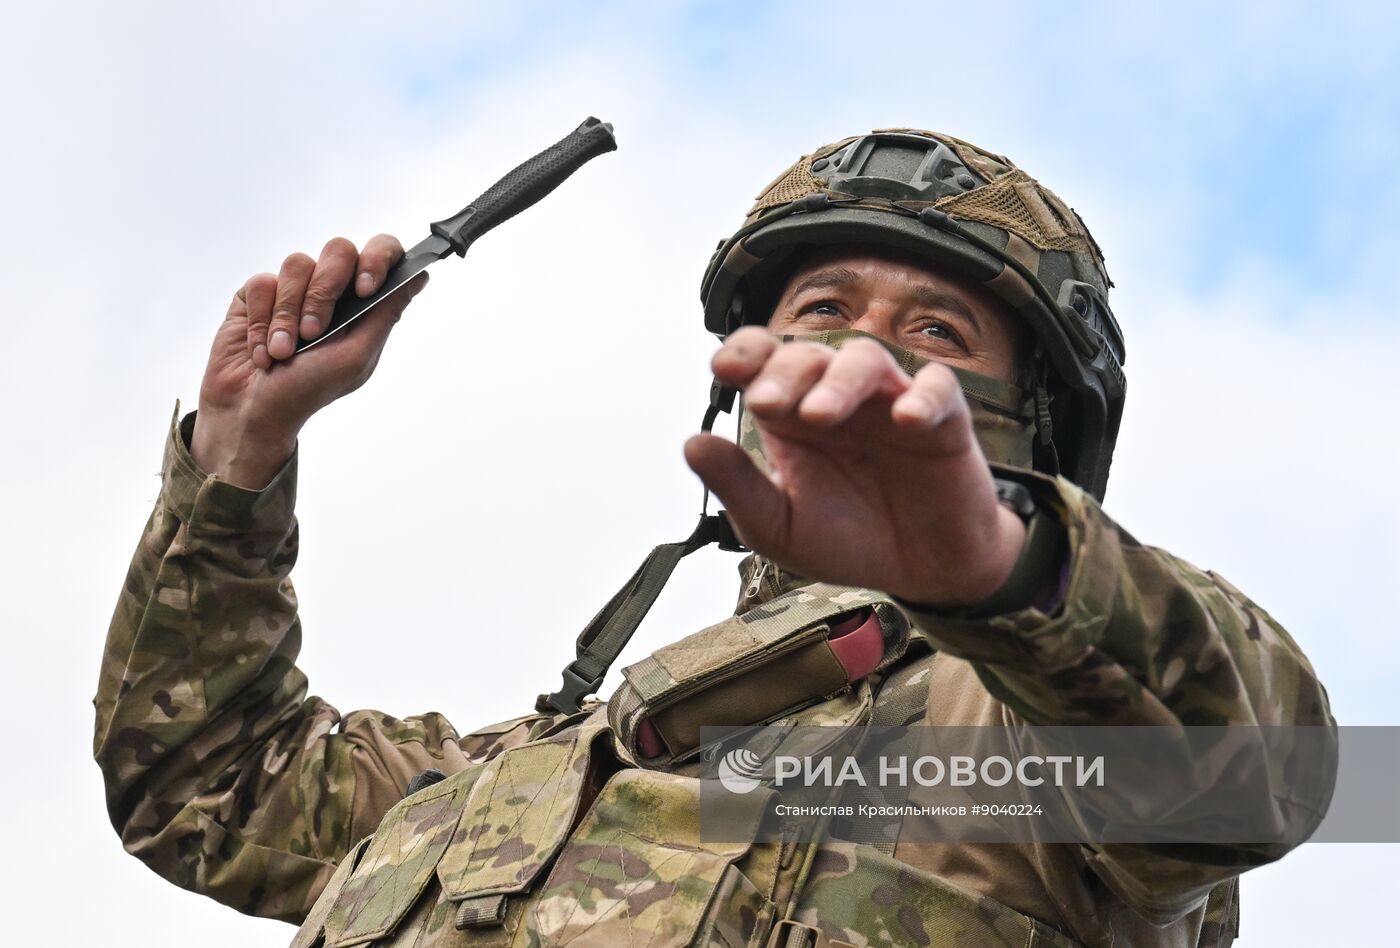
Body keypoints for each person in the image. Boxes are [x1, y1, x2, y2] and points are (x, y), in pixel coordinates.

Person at [94, 128, 1334, 947]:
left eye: (937, 329)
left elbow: (1272, 774)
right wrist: (237, 462)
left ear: (1028, 428)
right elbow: (206, 784)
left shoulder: (998, 747)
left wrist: (1000, 569)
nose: (862, 346)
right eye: (823, 309)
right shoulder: (517, 782)